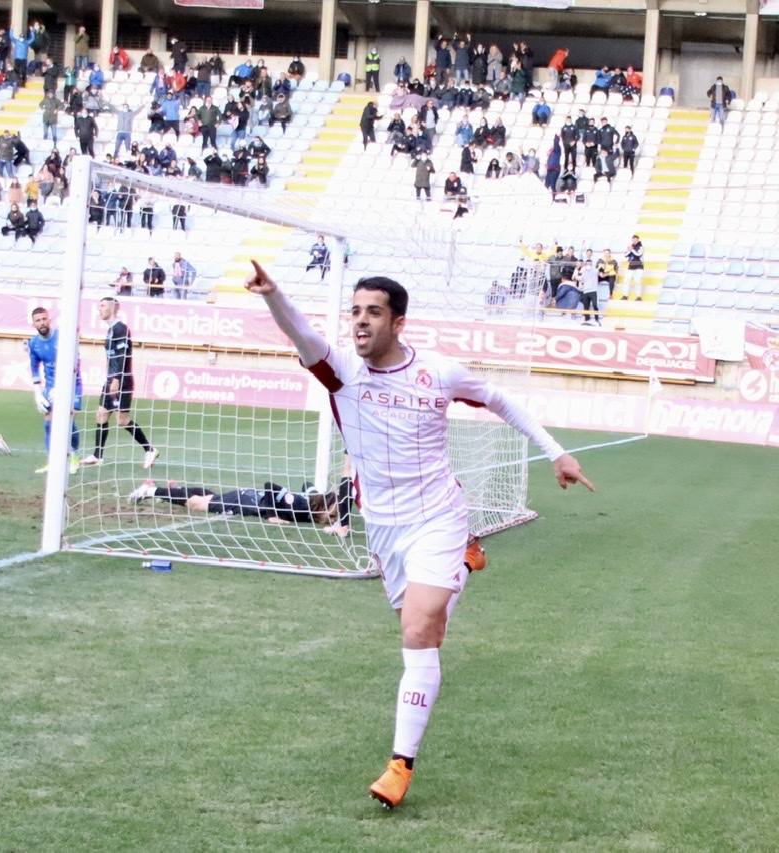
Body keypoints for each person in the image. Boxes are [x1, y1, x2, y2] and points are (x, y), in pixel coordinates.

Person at [244, 261, 593, 810]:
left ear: (398, 322)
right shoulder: (339, 371)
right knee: (415, 622)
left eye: (373, 313)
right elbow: (301, 333)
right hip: (383, 525)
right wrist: (274, 296)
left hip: (438, 516)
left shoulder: (439, 373)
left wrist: (558, 452)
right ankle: (462, 564)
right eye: (355, 312)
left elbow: (501, 400)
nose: (360, 322)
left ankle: (399, 766)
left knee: (419, 631)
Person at [79, 298, 159, 469]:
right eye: (98, 305)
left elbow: (122, 356)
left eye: (103, 306)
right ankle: (97, 455)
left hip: (121, 380)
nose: (99, 309)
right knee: (101, 414)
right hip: (111, 379)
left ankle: (150, 450)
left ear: (113, 308)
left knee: (122, 420)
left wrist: (115, 379)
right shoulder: (110, 330)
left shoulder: (121, 328)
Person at [129, 478, 343, 527]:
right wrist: (271, 516)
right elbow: (270, 487)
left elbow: (307, 485)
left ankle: (171, 491)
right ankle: (150, 490)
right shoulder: (301, 506)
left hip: (246, 498)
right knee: (198, 504)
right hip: (245, 500)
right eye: (332, 515)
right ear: (322, 507)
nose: (330, 520)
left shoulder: (310, 507)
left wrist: (316, 491)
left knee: (209, 498)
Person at [28, 307, 82, 474]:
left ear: (49, 320)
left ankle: (74, 457)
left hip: (72, 384)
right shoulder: (34, 343)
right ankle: (53, 461)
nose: (42, 322)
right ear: (34, 324)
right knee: (48, 424)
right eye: (38, 320)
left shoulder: (62, 337)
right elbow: (34, 368)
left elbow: (76, 362)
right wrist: (38, 393)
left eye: (44, 319)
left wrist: (63, 387)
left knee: (67, 420)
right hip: (50, 387)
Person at [622, 234, 645, 300]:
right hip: (631, 266)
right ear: (632, 240)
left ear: (638, 240)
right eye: (633, 239)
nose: (634, 241)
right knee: (626, 280)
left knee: (638, 281)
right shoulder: (630, 246)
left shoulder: (641, 247)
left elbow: (638, 254)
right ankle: (625, 295)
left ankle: (638, 296)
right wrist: (630, 250)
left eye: (636, 240)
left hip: (639, 266)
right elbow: (625, 255)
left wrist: (631, 249)